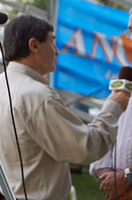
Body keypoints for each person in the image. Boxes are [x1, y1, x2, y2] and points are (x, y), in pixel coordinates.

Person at [0, 14, 131, 200]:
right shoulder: (38, 95)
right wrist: (114, 105)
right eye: (52, 42)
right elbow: (86, 148)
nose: (57, 51)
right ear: (34, 45)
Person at [89, 8, 132, 200]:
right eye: (130, 30)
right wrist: (109, 177)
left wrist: (126, 178)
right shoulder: (126, 82)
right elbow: (105, 137)